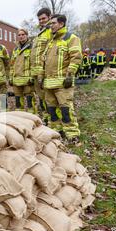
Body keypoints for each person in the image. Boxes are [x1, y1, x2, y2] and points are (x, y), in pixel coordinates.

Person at [42, 14, 82, 142]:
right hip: (49, 83)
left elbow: (76, 57)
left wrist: (70, 75)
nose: (50, 26)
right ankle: (57, 132)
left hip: (63, 83)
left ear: (61, 24)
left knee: (66, 110)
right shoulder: (50, 42)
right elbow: (45, 61)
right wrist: (42, 77)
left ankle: (72, 135)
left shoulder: (71, 38)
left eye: (53, 23)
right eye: (50, 23)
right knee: (52, 110)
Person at [30, 8, 53, 123]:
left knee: (49, 98)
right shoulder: (40, 34)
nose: (41, 21)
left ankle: (53, 119)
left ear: (50, 17)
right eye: (39, 19)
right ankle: (46, 117)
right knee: (41, 97)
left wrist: (44, 70)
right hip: (36, 71)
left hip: (44, 71)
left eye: (43, 18)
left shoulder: (51, 32)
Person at [9, 28, 35, 113]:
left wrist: (32, 76)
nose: (21, 36)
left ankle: (33, 119)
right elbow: (12, 64)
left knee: (30, 101)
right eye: (19, 35)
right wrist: (10, 77)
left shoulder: (32, 47)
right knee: (18, 103)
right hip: (16, 79)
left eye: (23, 34)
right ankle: (20, 118)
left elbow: (34, 63)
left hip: (28, 79)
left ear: (27, 36)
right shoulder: (15, 49)